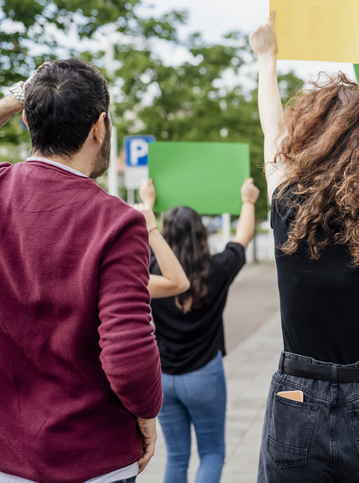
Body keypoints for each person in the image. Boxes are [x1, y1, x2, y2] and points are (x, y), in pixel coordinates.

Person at [251, 2, 359, 481]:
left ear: (307, 136)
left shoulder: (289, 206)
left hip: (295, 397)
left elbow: (271, 133)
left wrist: (267, 61)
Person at [0, 59, 162, 483]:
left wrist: (18, 99)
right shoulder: (118, 220)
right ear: (100, 126)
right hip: (93, 458)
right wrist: (146, 411)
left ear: (28, 124)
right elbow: (128, 356)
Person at [145, 178, 259, 483]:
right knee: (211, 453)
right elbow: (243, 238)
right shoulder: (218, 268)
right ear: (201, 233)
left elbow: (146, 237)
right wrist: (247, 200)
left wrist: (149, 203)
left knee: (177, 457)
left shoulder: (152, 270)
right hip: (204, 375)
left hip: (164, 377)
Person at [133, 179, 190, 299]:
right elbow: (179, 283)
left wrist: (148, 203)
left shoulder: (151, 265)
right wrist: (151, 228)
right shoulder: (220, 265)